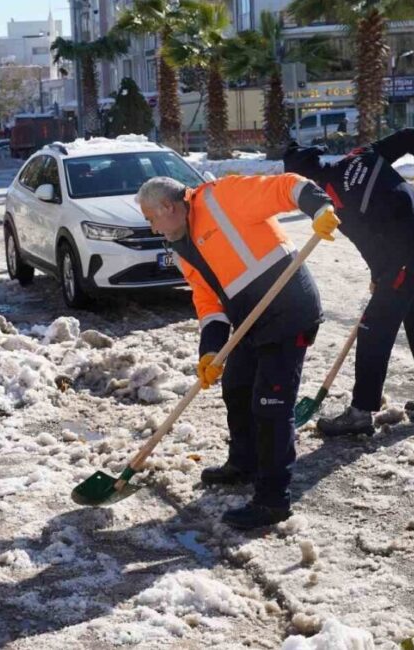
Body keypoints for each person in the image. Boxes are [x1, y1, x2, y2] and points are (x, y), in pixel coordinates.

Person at [135, 174, 340, 530]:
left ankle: (273, 501)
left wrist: (319, 207)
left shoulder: (222, 198)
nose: (152, 228)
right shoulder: (180, 247)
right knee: (237, 387)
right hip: (250, 321)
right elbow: (208, 302)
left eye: (151, 218)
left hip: (288, 311)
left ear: (168, 207)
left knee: (271, 407)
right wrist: (210, 351)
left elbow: (287, 186)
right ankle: (245, 463)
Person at [283, 128, 414, 436]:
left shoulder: (333, 200)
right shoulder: (360, 156)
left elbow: (370, 243)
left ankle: (361, 413)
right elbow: (410, 136)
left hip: (407, 255)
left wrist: (381, 276)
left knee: (373, 330)